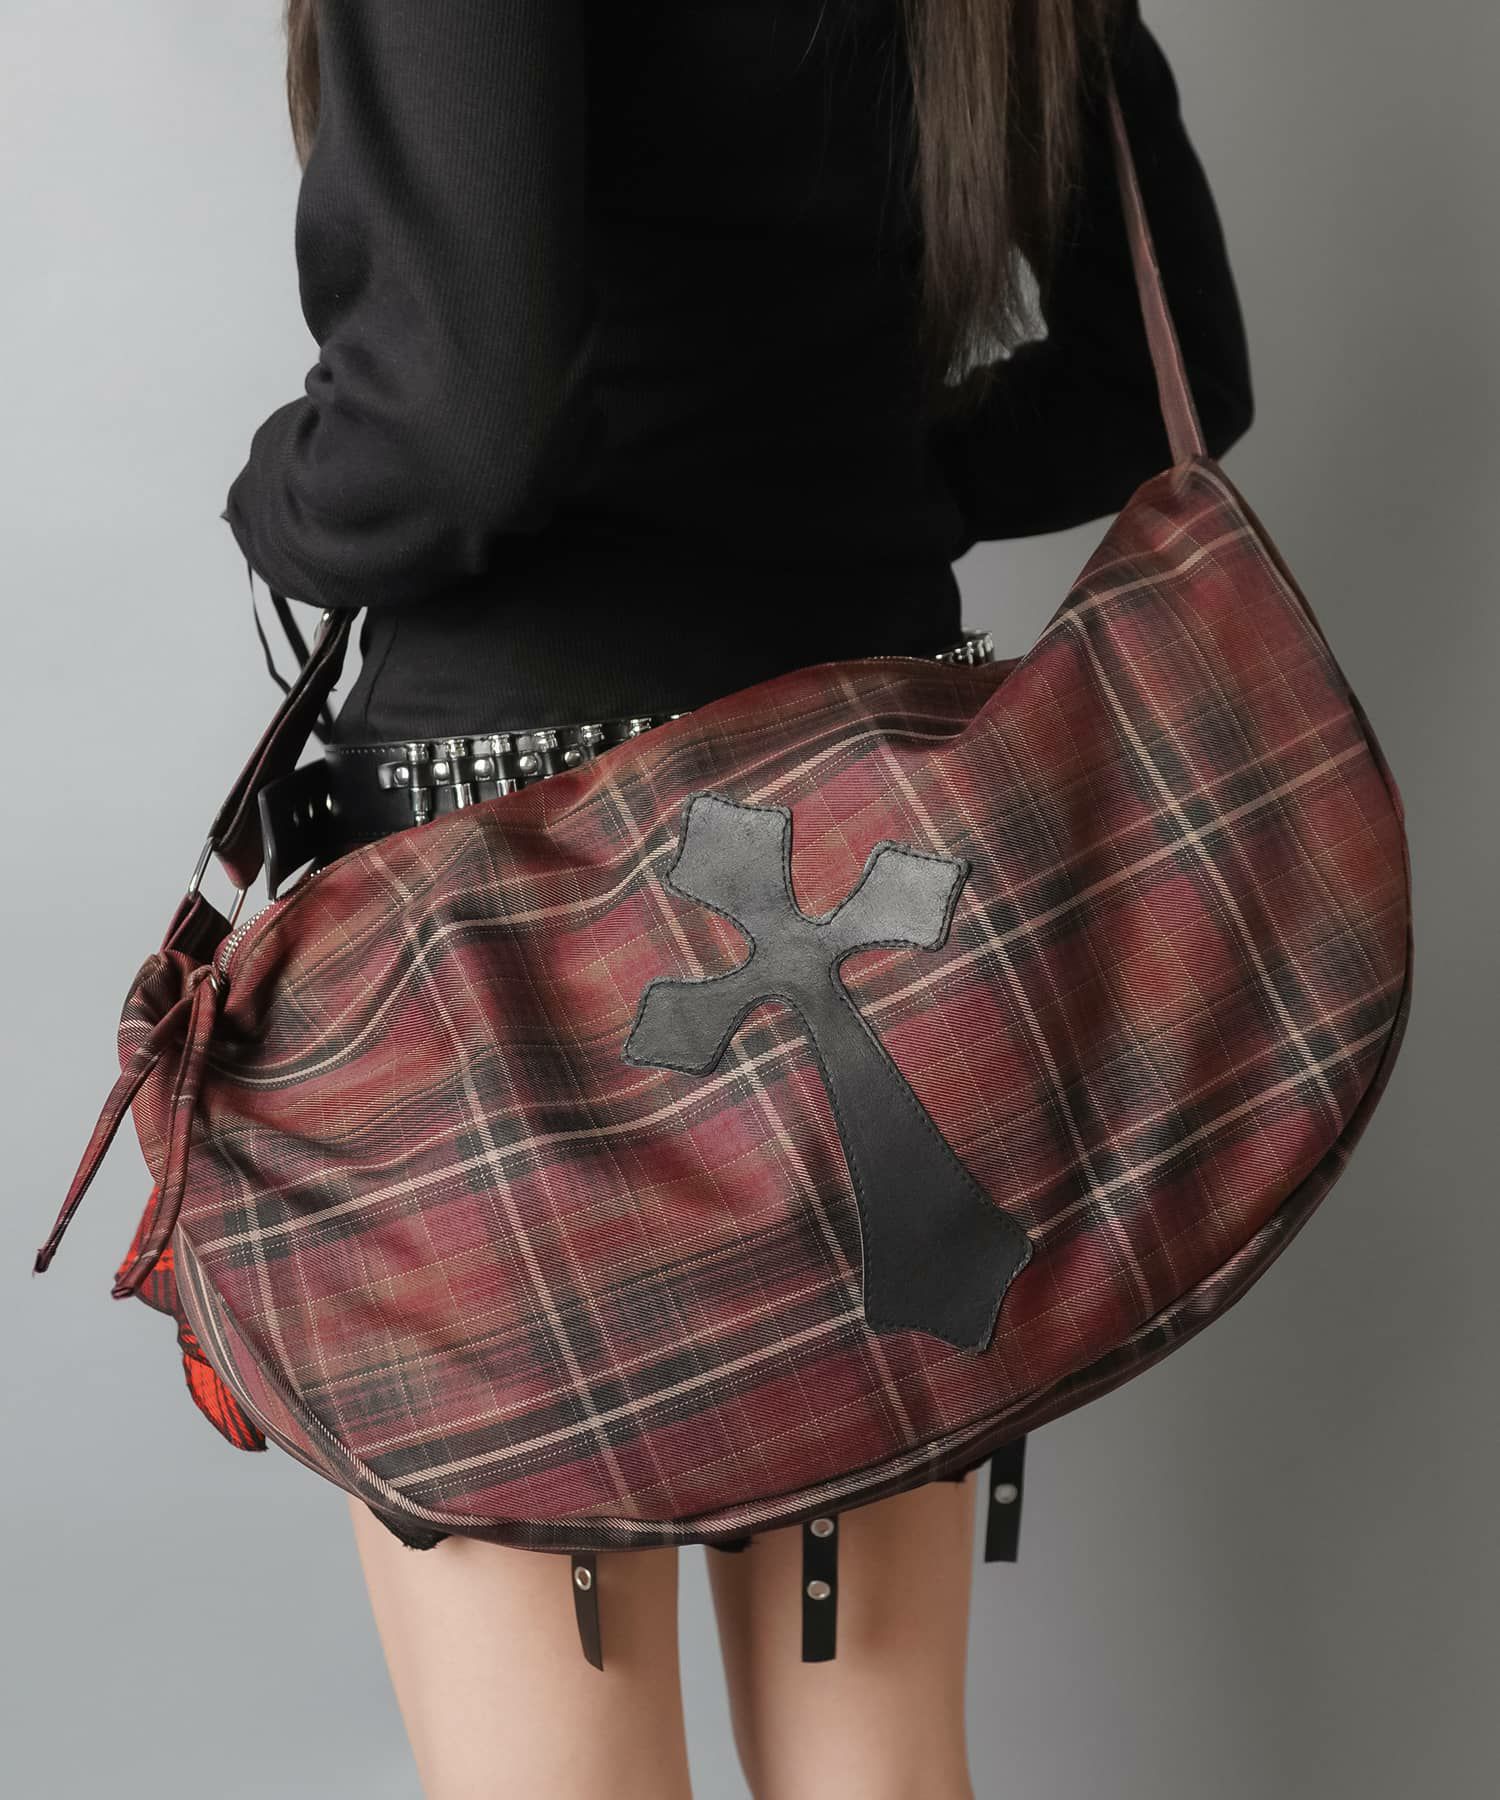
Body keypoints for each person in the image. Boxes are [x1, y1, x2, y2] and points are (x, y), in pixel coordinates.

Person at [218, 2, 1252, 1795]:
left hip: (501, 925)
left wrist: (282, 505)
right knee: (879, 1759)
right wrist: (851, 478)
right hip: (885, 873)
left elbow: (460, 431)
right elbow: (1165, 378)